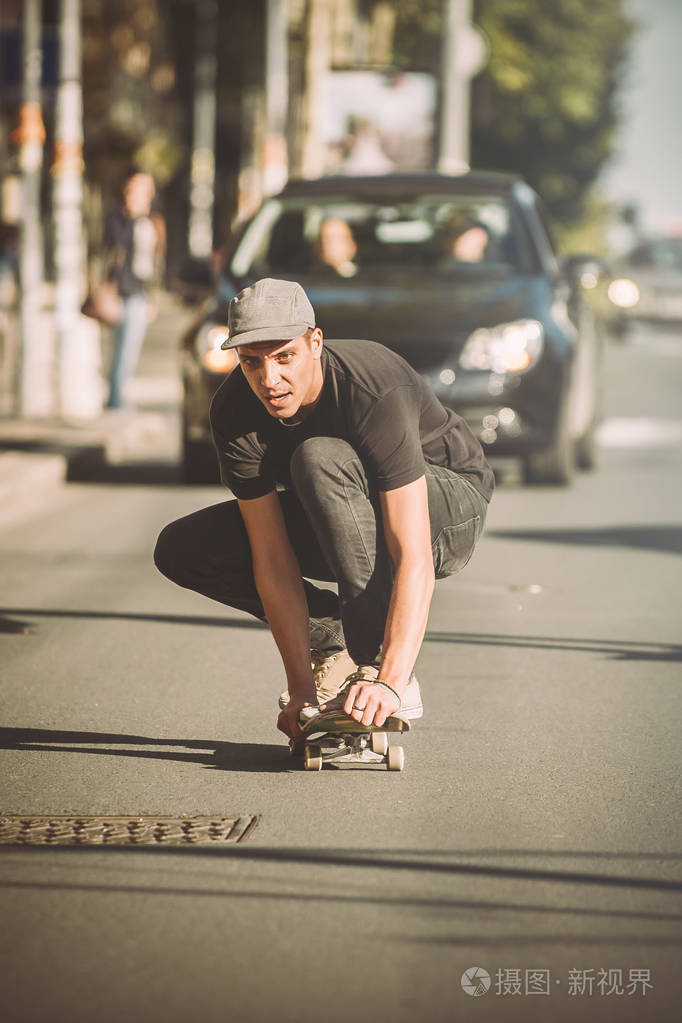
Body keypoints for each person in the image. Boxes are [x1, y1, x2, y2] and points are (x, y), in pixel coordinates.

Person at [154, 278, 494, 741]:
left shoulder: (371, 387)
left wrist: (389, 678)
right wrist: (299, 692)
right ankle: (334, 640)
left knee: (319, 458)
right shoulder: (234, 411)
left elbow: (410, 551)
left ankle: (370, 664)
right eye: (251, 362)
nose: (268, 380)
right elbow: (271, 559)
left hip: (447, 509)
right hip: (341, 506)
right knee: (183, 547)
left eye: (284, 357)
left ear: (315, 342)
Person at [103, 169, 165, 409]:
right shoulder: (117, 217)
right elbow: (114, 249)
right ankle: (116, 400)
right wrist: (131, 217)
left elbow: (156, 262)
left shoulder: (153, 221)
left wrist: (154, 298)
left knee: (132, 349)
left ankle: (117, 396)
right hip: (122, 291)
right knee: (122, 348)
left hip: (142, 292)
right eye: (137, 188)